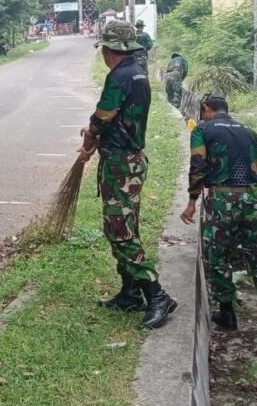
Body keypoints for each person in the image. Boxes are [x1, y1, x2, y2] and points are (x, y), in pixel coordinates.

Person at [80, 20, 177, 329]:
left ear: (112, 50)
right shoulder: (138, 71)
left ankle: (156, 294)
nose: (104, 56)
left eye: (105, 50)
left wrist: (90, 137)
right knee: (123, 226)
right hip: (130, 159)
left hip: (121, 164)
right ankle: (130, 292)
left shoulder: (119, 76)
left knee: (120, 230)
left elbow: (103, 117)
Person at [178, 92, 257, 334]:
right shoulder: (249, 132)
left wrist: (192, 201)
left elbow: (198, 166)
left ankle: (227, 313)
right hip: (254, 198)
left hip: (223, 199)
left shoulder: (203, 130)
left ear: (206, 108)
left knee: (219, 255)